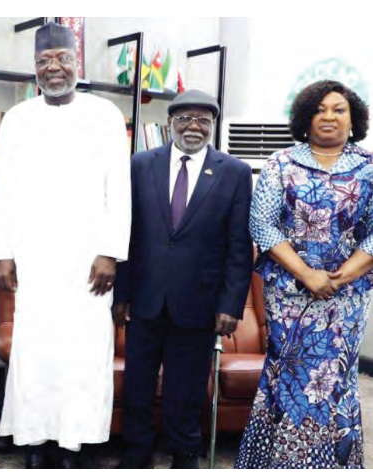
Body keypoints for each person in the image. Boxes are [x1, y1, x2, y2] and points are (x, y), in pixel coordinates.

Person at [0, 22, 131, 469]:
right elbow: (4, 189)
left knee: (82, 354)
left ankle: (73, 441)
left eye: (62, 59)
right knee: (35, 353)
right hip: (34, 258)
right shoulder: (17, 119)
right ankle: (34, 441)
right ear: (35, 68)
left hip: (88, 261)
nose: (54, 68)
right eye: (44, 61)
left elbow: (119, 189)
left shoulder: (105, 114)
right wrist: (3, 252)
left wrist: (111, 251)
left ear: (77, 63)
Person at [113, 89, 253, 469]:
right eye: (185, 119)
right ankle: (137, 453)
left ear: (212, 126)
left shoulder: (235, 172)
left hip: (200, 302)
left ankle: (184, 452)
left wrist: (230, 304)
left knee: (187, 387)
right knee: (139, 384)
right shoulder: (140, 165)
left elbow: (239, 245)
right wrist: (121, 293)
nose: (194, 126)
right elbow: (125, 233)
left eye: (203, 120)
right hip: (144, 297)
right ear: (170, 123)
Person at [235, 80, 372, 469]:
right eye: (319, 109)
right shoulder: (281, 163)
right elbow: (262, 225)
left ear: (353, 119)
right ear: (304, 118)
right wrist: (307, 274)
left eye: (339, 109)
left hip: (346, 298)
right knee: (288, 374)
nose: (328, 116)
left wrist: (339, 277)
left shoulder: (370, 166)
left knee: (337, 379)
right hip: (288, 295)